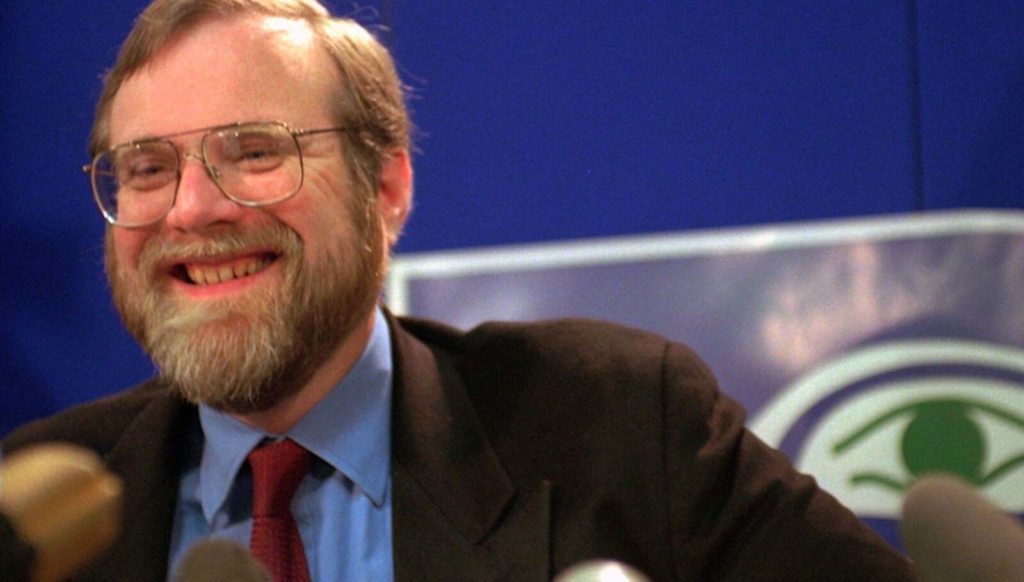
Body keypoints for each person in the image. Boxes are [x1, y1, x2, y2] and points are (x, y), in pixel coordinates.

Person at [1, 0, 915, 580]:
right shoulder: (32, 510)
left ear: (386, 188)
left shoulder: (624, 426)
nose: (192, 209)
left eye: (254, 152)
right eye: (146, 169)